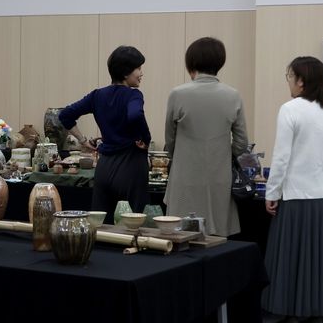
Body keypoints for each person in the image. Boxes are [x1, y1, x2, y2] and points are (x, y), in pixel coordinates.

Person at [262, 56, 323, 323]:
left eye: (290, 77)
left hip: (296, 197)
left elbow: (281, 158)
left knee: (292, 258)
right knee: (320, 260)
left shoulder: (290, 110)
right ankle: (317, 315)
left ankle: (291, 316)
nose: (289, 82)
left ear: (301, 81)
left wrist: (272, 192)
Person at [163, 37, 247, 237]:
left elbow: (170, 139)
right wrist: (225, 154)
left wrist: (178, 156)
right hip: (219, 175)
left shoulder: (178, 94)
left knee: (180, 234)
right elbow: (242, 143)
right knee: (216, 234)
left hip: (184, 175)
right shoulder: (233, 95)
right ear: (220, 62)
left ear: (191, 62)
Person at [58, 45, 151, 223]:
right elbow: (135, 115)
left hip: (104, 168)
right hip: (131, 166)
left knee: (100, 225)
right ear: (126, 72)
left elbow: (65, 115)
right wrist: (145, 138)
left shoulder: (97, 95)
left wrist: (83, 140)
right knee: (135, 224)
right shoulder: (134, 95)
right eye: (138, 68)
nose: (141, 73)